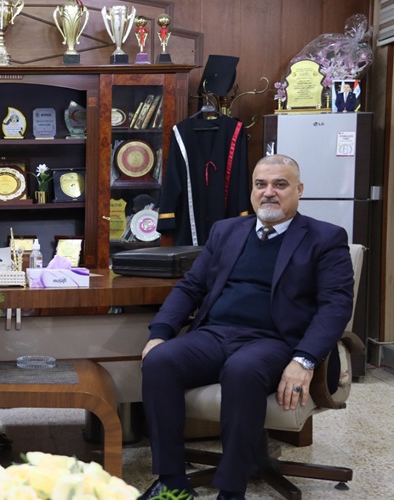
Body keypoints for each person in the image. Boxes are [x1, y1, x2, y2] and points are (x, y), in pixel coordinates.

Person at [138, 154, 355, 500]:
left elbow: (336, 306)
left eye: (280, 184)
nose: (269, 192)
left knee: (242, 370)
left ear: (299, 190)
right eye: (260, 184)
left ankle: (231, 489)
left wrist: (305, 360)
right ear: (252, 190)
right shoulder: (226, 231)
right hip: (215, 334)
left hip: (275, 340)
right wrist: (160, 333)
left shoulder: (325, 238)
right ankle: (172, 482)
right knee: (159, 361)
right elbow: (191, 287)